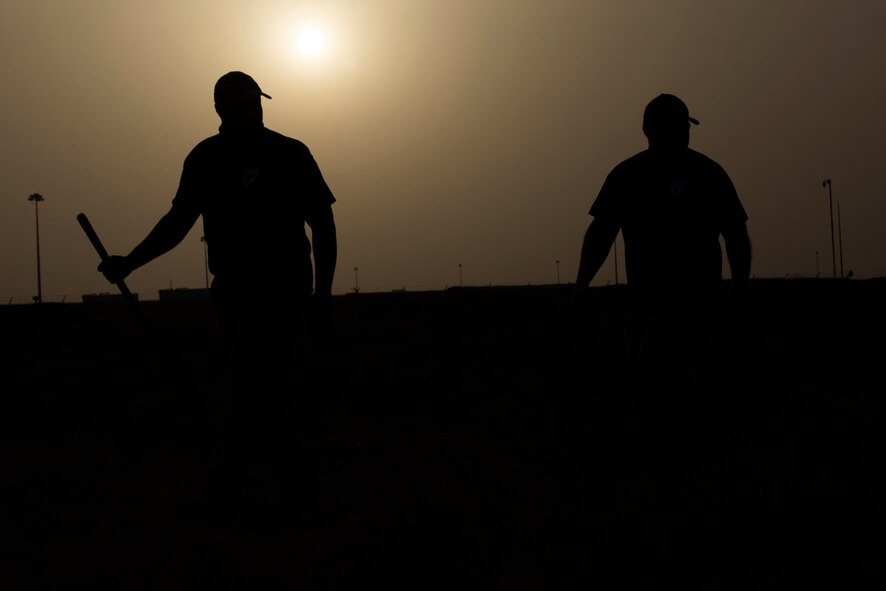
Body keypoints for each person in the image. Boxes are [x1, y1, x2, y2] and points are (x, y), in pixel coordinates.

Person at [98, 71, 338, 516]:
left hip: (283, 292)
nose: (254, 109)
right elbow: (177, 224)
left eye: (256, 101)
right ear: (223, 110)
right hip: (235, 295)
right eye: (246, 102)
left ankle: (229, 485)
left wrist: (323, 295)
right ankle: (291, 483)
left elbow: (322, 225)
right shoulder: (208, 158)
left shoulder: (289, 153)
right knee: (258, 390)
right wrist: (129, 262)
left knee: (252, 388)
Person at [571, 93, 752, 458]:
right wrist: (582, 284)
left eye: (685, 126)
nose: (683, 132)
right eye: (677, 125)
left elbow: (735, 234)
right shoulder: (629, 175)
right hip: (647, 301)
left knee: (665, 377)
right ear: (650, 130)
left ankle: (683, 457)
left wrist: (740, 290)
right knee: (653, 382)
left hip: (695, 299)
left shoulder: (706, 173)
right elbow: (600, 235)